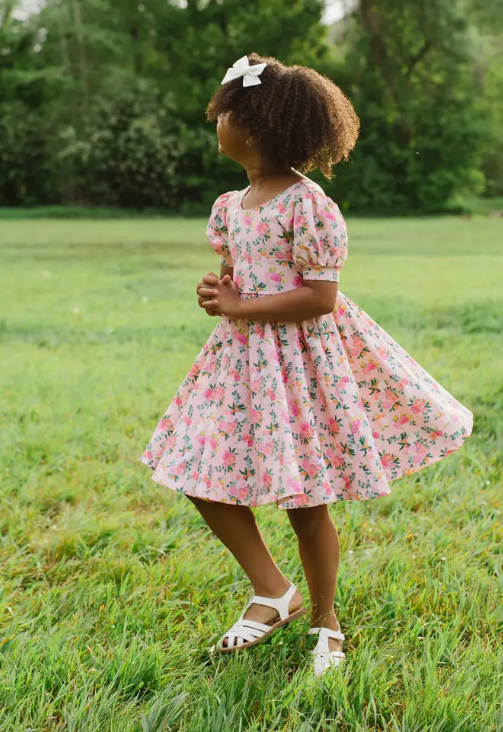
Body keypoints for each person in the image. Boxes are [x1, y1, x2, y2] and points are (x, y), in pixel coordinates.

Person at [140, 54, 473, 676]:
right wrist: (222, 295)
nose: (217, 122)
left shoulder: (307, 203)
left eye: (226, 113)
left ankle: (326, 621)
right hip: (239, 364)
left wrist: (243, 301)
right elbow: (240, 281)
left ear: (260, 127)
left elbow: (320, 296)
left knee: (304, 501)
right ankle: (272, 590)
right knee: (194, 469)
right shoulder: (231, 205)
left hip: (297, 366)